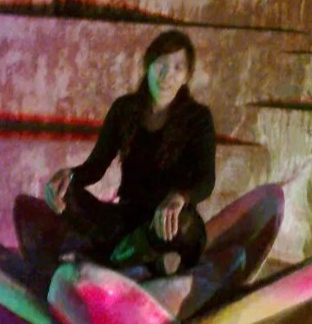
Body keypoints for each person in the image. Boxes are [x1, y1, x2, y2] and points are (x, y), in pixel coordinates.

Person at [13, 29, 216, 287]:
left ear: (187, 76)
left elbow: (206, 180)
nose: (168, 75)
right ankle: (140, 258)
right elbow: (95, 167)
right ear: (148, 65)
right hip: (126, 219)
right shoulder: (124, 110)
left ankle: (116, 258)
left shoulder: (198, 118)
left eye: (178, 67)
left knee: (183, 227)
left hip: (170, 222)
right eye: (162, 64)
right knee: (67, 194)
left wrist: (179, 198)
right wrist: (68, 177)